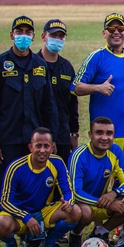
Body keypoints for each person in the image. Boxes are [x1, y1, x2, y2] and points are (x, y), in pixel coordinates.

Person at [0, 15, 58, 247]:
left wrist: (51, 139)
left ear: (33, 36)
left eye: (28, 31)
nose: (23, 35)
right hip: (7, 141)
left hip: (33, 143)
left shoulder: (39, 65)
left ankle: (28, 236)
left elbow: (48, 105)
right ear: (12, 34)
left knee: (32, 189)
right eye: (19, 30)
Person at [0, 127, 80, 247]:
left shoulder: (57, 162)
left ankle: (48, 243)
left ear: (52, 147)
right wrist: (26, 217)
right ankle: (10, 245)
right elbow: (4, 201)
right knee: (0, 225)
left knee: (75, 212)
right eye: (38, 146)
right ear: (30, 147)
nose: (42, 150)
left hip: (43, 212)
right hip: (19, 214)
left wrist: (69, 201)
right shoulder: (16, 167)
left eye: (46, 146)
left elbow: (68, 190)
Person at [67, 117, 124, 247]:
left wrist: (114, 193)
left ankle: (100, 233)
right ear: (90, 135)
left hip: (103, 202)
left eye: (109, 133)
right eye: (99, 132)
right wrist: (108, 203)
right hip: (82, 204)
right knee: (85, 212)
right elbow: (75, 193)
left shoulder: (115, 151)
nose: (104, 137)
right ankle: (75, 235)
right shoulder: (79, 155)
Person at [73, 13, 124, 152]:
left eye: (120, 28)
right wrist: (98, 88)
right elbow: (75, 87)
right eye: (111, 28)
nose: (116, 32)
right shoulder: (96, 57)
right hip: (104, 135)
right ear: (104, 33)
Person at [39, 18, 78, 161]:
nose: (57, 39)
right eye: (53, 35)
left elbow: (72, 104)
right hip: (38, 136)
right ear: (44, 36)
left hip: (63, 135)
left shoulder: (67, 67)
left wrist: (74, 133)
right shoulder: (33, 64)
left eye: (61, 36)